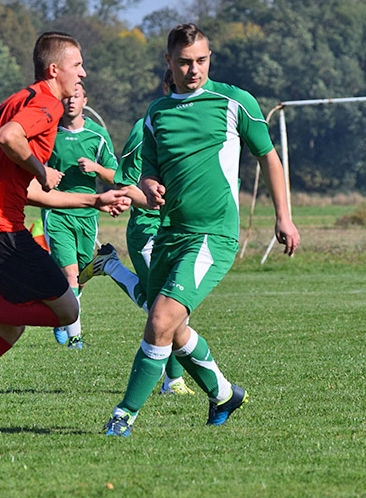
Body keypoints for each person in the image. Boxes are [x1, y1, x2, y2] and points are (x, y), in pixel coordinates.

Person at [0, 31, 129, 430]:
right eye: (77, 64)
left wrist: (93, 200)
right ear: (54, 69)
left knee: (10, 326)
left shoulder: (15, 101)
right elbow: (10, 140)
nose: (83, 73)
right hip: (0, 229)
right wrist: (41, 167)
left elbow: (29, 189)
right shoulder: (46, 104)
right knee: (67, 310)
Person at [103, 23, 300, 437]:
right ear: (168, 63)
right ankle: (224, 393)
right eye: (185, 62)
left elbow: (269, 157)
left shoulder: (234, 101)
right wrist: (147, 185)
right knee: (173, 331)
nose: (194, 70)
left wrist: (283, 216)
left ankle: (124, 415)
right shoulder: (156, 114)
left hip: (214, 234)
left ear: (209, 58)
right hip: (170, 234)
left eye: (201, 61)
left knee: (159, 318)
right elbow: (149, 177)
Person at [79, 71, 195, 395]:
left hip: (179, 230)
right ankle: (173, 382)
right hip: (147, 229)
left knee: (174, 305)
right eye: (175, 88)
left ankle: (110, 265)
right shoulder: (145, 129)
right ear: (164, 88)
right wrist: (158, 201)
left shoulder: (193, 128)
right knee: (163, 308)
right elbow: (124, 183)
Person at [41, 84, 117, 349]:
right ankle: (75, 337)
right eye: (67, 97)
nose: (71, 101)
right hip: (57, 211)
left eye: (77, 96)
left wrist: (96, 167)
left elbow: (116, 176)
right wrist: (44, 174)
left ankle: (63, 315)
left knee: (83, 275)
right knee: (71, 274)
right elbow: (33, 164)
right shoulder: (49, 133)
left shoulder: (97, 135)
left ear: (85, 100)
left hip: (87, 214)